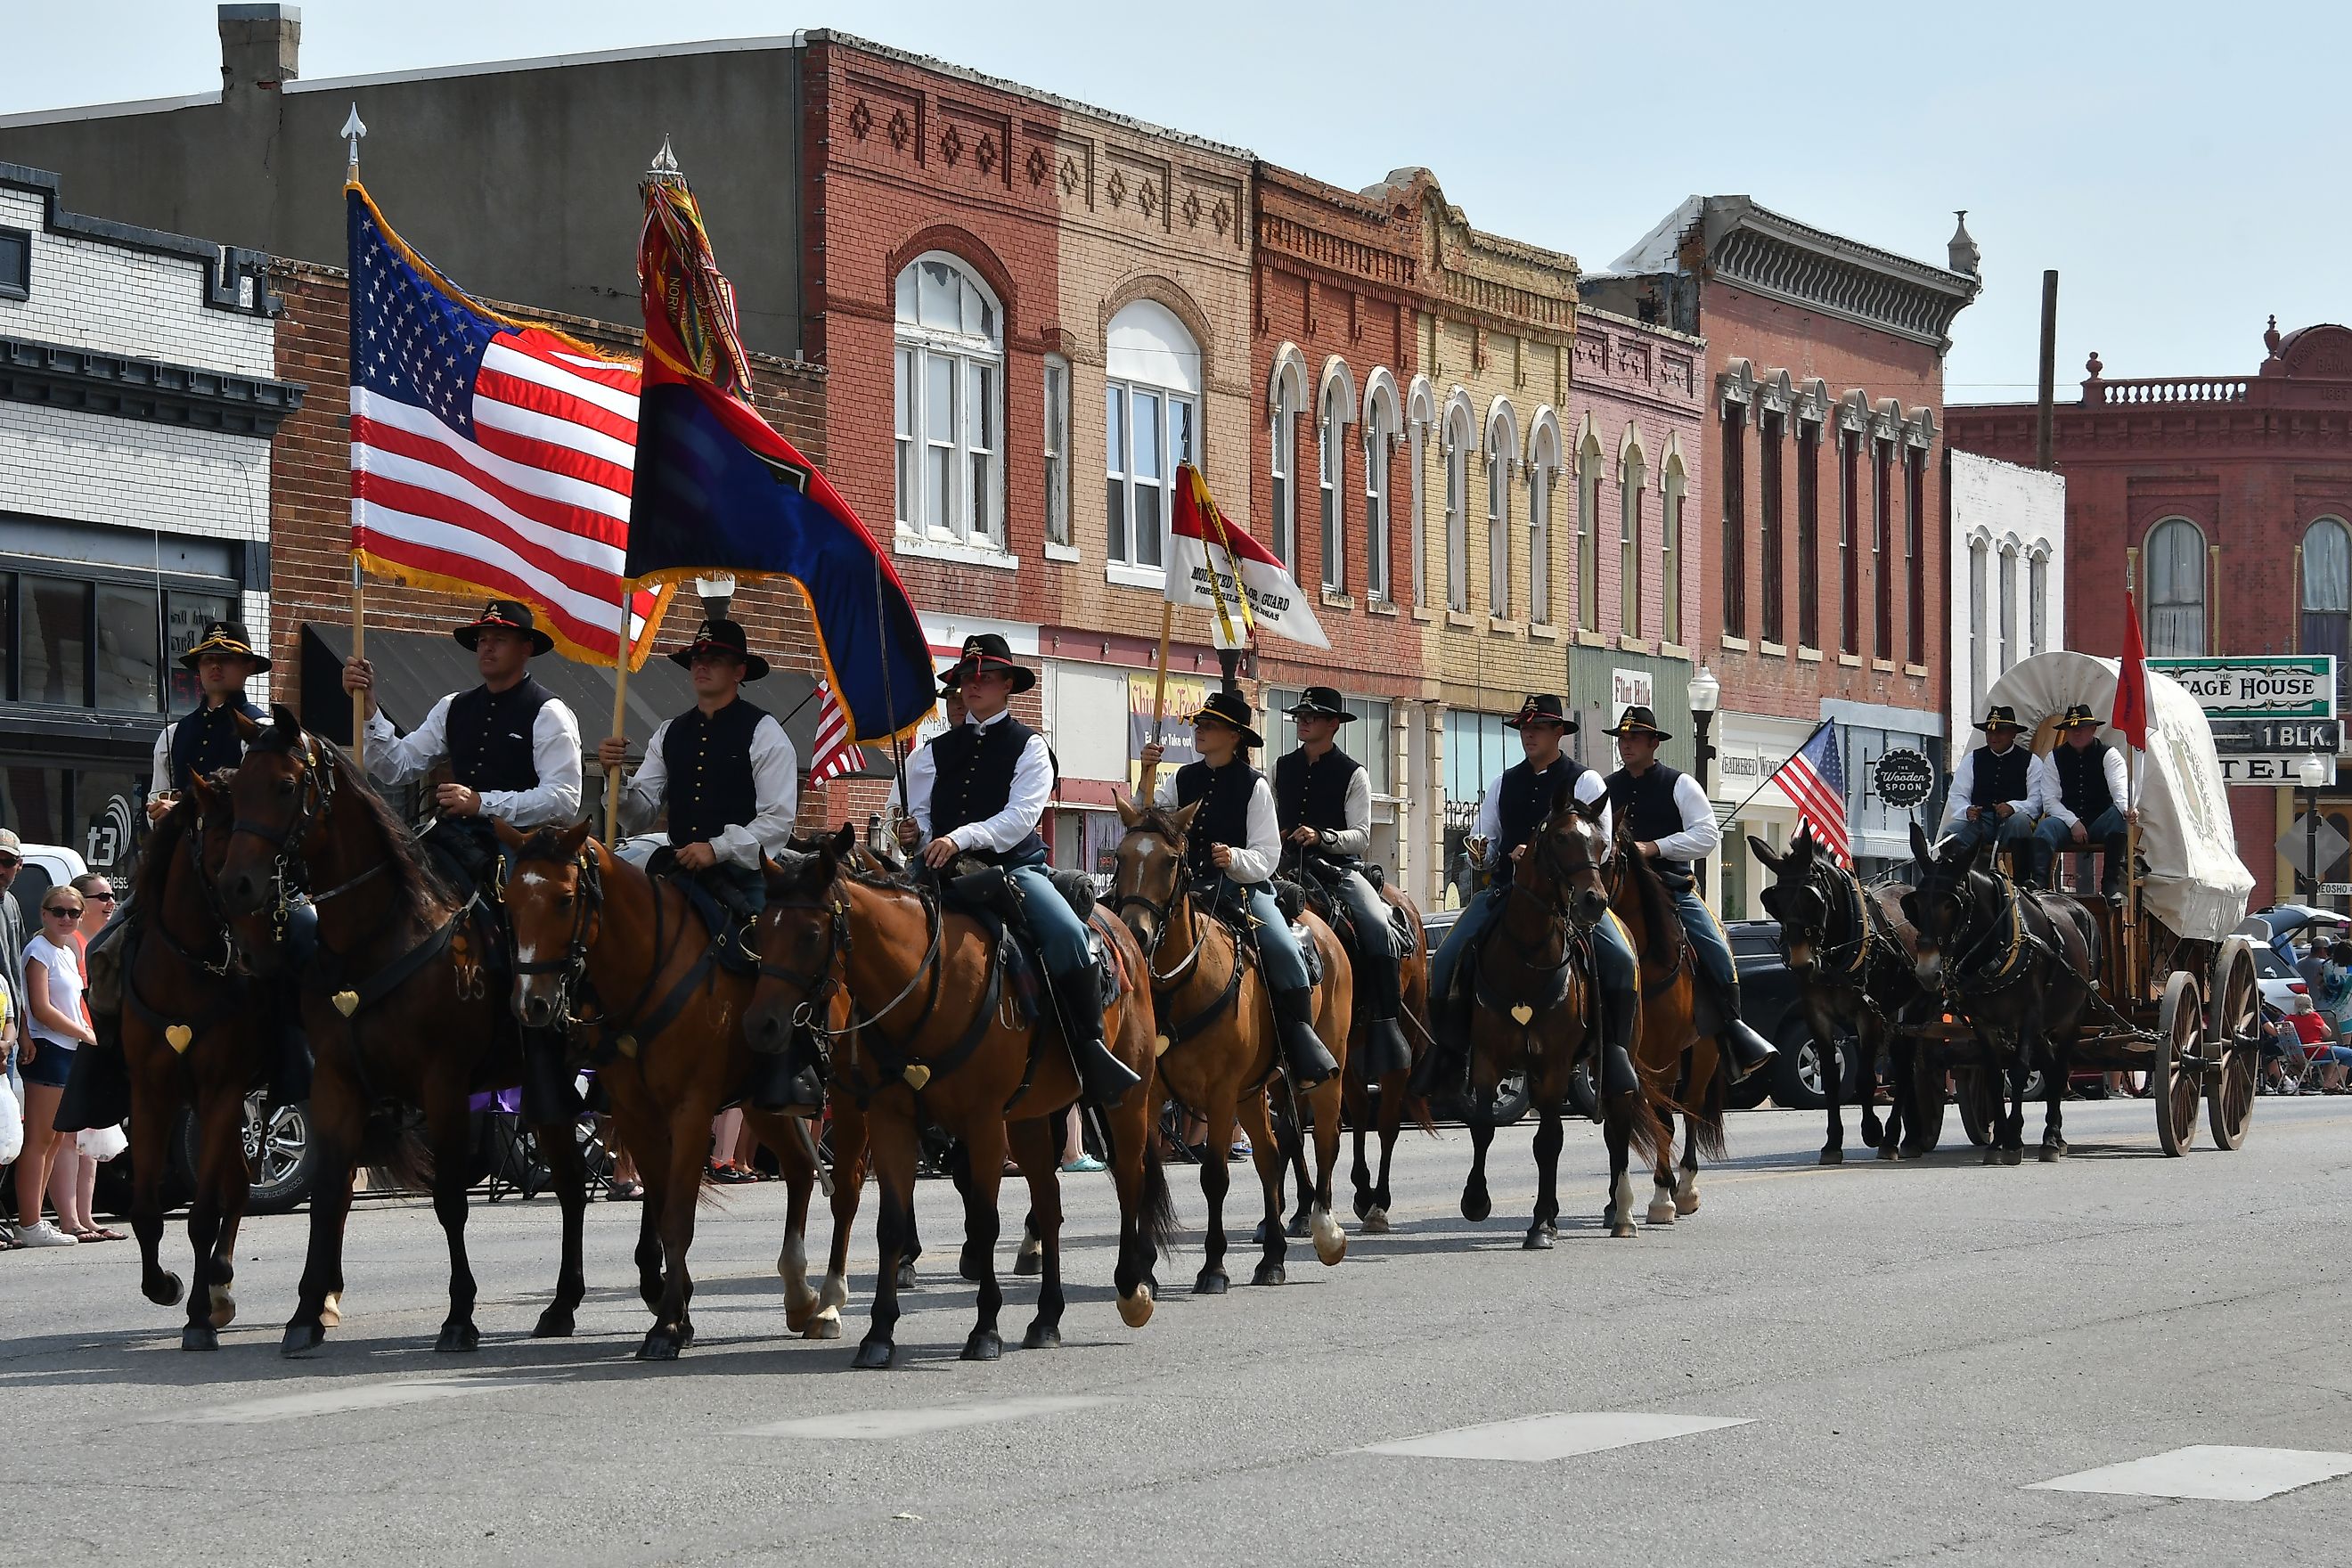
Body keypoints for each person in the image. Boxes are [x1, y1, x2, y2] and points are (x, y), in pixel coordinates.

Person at [344, 598, 584, 1122]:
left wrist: (484, 803)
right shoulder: (453, 706)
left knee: (525, 932)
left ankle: (544, 1052)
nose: (487, 647)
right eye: (481, 639)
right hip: (448, 840)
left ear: (526, 648)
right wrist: (369, 709)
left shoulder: (548, 712)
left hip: (516, 848)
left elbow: (564, 797)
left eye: (498, 638)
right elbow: (396, 765)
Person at [896, 635, 1141, 1107]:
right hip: (940, 875)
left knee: (1068, 934)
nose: (973, 685)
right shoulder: (930, 752)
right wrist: (916, 833)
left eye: (985, 676)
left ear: (1008, 684)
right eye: (966, 677)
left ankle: (1089, 1049)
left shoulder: (1030, 747)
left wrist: (957, 838)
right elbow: (916, 815)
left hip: (1011, 870)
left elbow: (1017, 822)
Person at [598, 618, 806, 1111]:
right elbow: (642, 807)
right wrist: (616, 782)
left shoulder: (765, 732)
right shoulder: (670, 732)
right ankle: (610, 1052)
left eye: (713, 659)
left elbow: (777, 819)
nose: (702, 666)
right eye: (697, 658)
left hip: (742, 871)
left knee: (771, 952)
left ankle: (789, 1071)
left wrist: (719, 848)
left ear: (739, 671)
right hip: (676, 867)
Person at [1416, 695, 1644, 1107]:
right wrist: (1485, 852)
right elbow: (1485, 840)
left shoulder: (1586, 781)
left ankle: (1615, 1053)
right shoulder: (1505, 782)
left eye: (1537, 727)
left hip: (1569, 902)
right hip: (1510, 891)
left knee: (1623, 960)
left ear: (1559, 732)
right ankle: (1446, 1053)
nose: (1528, 734)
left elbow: (1604, 844)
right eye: (1524, 727)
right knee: (1448, 953)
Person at [1137, 691, 1338, 1090]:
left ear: (1235, 736)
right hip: (1186, 889)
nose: (1200, 730)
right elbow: (1146, 821)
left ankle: (1300, 1045)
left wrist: (1235, 858)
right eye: (1199, 724)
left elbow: (1267, 855)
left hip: (1240, 890)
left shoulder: (1254, 786)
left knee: (1282, 950)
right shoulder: (1181, 778)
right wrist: (1146, 773)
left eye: (1210, 725)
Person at [1603, 705, 1779, 1085]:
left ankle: (1734, 1032)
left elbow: (1707, 835)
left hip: (1672, 890)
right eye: (1622, 738)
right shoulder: (1606, 789)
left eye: (1634, 737)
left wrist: (1655, 847)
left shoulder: (1679, 783)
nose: (1626, 744)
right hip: (1616, 894)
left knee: (1715, 946)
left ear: (1654, 742)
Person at [1272, 686, 1410, 1076]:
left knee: (1376, 923)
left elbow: (1362, 836)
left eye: (1312, 716)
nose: (1303, 721)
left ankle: (1386, 1024)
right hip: (1284, 865)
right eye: (1300, 715)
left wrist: (1321, 836)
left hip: (1336, 869)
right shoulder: (1281, 767)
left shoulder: (1354, 773)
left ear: (1334, 724)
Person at [13, 885, 95, 1246]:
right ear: (44, 913)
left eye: (73, 913)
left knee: (56, 1138)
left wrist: (87, 1032)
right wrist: (87, 1035)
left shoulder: (68, 948)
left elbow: (74, 1002)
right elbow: (41, 1008)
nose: (66, 918)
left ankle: (36, 1221)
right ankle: (29, 1223)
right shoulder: (38, 950)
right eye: (58, 911)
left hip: (69, 1048)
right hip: (48, 1048)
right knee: (40, 1140)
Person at [147, 619, 270, 821]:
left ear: (249, 666)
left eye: (226, 659)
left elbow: (262, 805)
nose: (215, 666)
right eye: (207, 660)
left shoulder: (263, 730)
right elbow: (154, 809)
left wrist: (184, 810)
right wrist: (160, 812)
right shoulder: (172, 735)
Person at [2032, 704, 2134, 896]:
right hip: (2066, 822)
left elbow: (2119, 788)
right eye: (2071, 729)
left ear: (2093, 729)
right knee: (2045, 827)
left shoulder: (2108, 755)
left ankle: (2110, 885)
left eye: (2080, 729)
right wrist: (2073, 822)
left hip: (2099, 822)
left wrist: (2127, 809)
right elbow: (2050, 800)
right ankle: (2040, 885)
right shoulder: (2054, 758)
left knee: (2117, 817)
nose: (2076, 734)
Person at [1938, 704, 2051, 874]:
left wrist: (2013, 807)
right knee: (1951, 832)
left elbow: (2037, 801)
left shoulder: (2031, 761)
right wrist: (1967, 810)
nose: (1993, 737)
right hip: (1981, 822)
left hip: (2012, 822)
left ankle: (2024, 879)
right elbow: (1957, 795)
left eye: (2000, 732)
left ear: (2013, 733)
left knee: (2019, 822)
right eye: (1990, 732)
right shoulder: (1973, 759)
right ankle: (1955, 880)